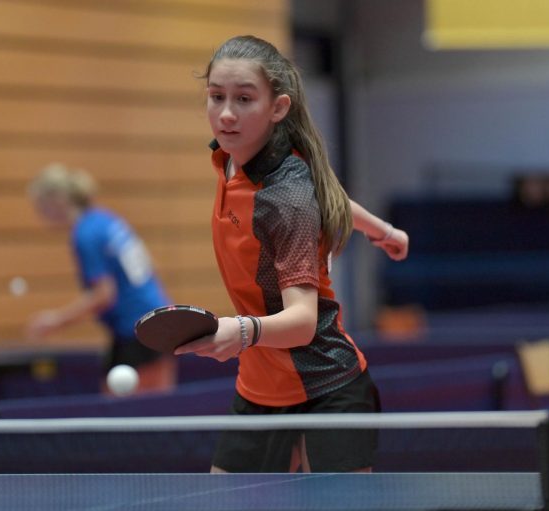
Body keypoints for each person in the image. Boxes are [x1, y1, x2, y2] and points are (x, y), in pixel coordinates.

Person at [174, 35, 408, 473]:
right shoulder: (232, 159)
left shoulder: (285, 196)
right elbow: (326, 194)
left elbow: (302, 323)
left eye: (244, 99)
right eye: (216, 96)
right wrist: (383, 230)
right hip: (260, 387)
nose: (226, 113)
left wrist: (238, 331)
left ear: (278, 107)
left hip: (326, 385)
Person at [26, 164, 175, 393]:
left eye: (41, 206)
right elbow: (149, 265)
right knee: (159, 405)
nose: (41, 215)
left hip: (137, 329)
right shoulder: (105, 219)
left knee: (121, 408)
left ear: (57, 201)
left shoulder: (84, 235)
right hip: (158, 318)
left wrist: (55, 321)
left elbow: (103, 295)